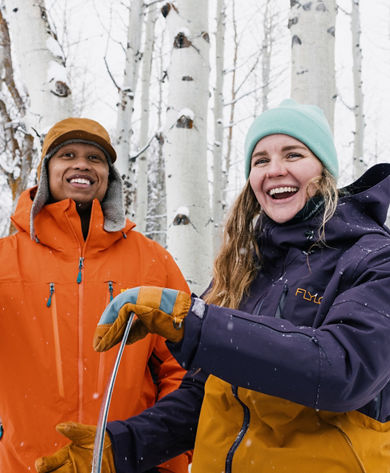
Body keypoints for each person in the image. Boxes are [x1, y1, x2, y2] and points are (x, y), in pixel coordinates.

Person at [37, 100, 390, 473]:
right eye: (261, 160)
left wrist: (198, 324)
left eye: (293, 154)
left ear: (324, 168)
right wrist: (119, 447)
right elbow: (202, 397)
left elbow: (343, 371)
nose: (275, 170)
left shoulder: (373, 258)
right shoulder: (243, 266)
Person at [0, 117, 191, 473]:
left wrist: (165, 453)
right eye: (67, 154)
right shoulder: (4, 260)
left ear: (109, 176)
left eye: (96, 158)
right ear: (45, 172)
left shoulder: (152, 260)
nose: (82, 164)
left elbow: (183, 366)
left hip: (133, 464)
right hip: (27, 464)